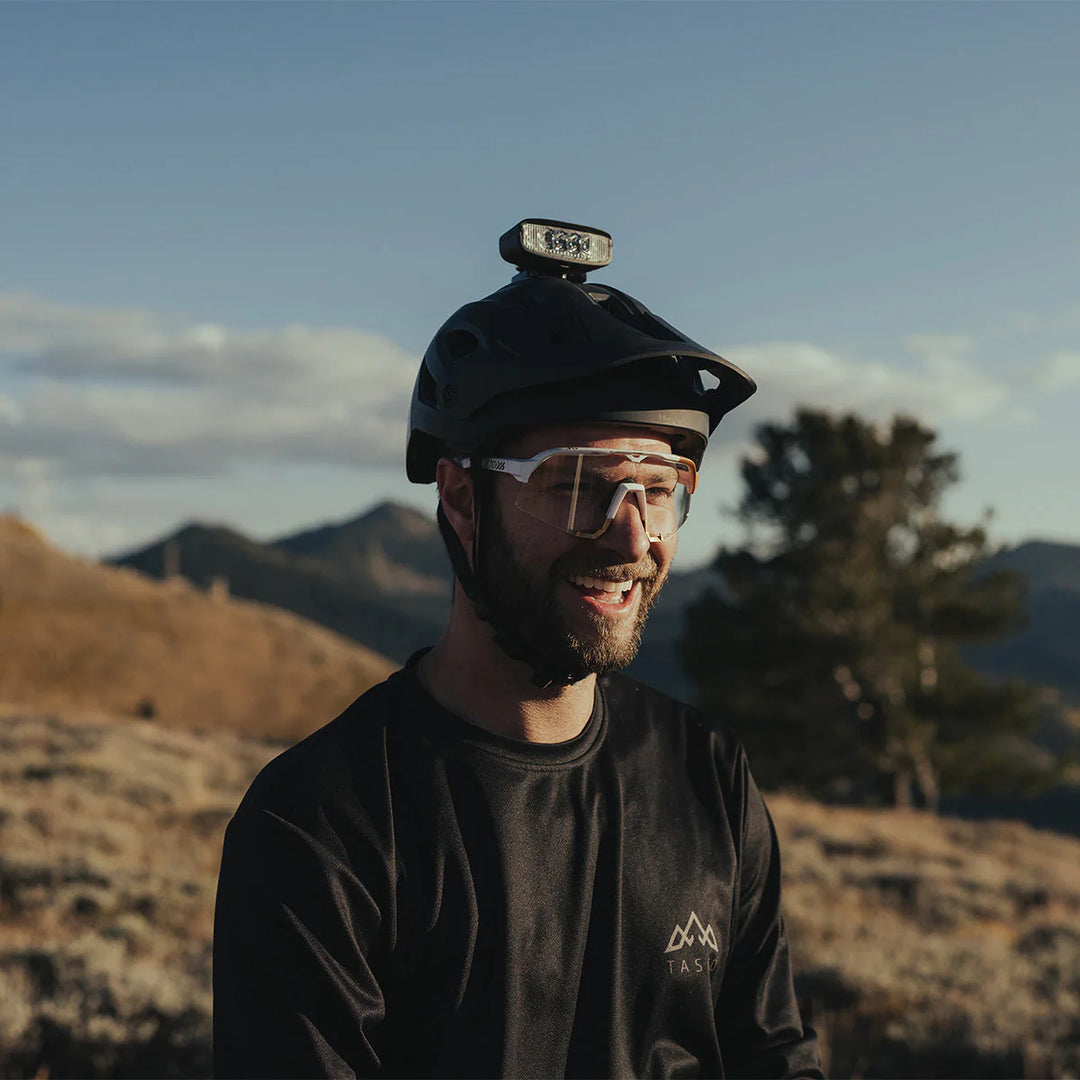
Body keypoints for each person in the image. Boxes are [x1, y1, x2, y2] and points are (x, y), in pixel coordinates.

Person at [213, 220, 822, 1078]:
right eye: (576, 484)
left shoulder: (707, 776)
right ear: (462, 499)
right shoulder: (321, 826)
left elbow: (774, 1060)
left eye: (658, 487)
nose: (631, 537)